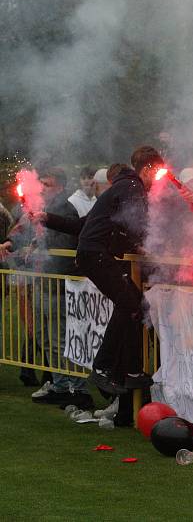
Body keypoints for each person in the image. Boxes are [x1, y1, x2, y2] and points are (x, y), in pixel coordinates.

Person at [68, 147, 158, 395]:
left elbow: (121, 226)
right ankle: (103, 368)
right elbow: (134, 224)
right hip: (96, 254)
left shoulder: (124, 186)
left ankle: (132, 370)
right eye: (157, 173)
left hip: (96, 253)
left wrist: (138, 245)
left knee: (135, 304)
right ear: (148, 168)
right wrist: (147, 245)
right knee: (130, 303)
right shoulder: (132, 186)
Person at [6, 167, 93, 408]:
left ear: (60, 187)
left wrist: (39, 248)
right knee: (45, 338)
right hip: (43, 281)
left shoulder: (64, 209)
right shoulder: (41, 209)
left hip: (58, 284)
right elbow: (24, 233)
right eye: (41, 183)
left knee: (61, 338)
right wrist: (13, 244)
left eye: (47, 184)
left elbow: (64, 245)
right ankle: (59, 383)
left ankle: (74, 387)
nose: (42, 188)